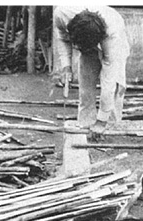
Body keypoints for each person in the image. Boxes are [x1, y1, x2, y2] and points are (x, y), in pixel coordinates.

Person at [53, 6, 130, 135]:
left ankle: (109, 127)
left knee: (115, 84)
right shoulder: (62, 14)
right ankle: (85, 123)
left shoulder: (112, 35)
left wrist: (101, 121)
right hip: (88, 32)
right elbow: (62, 38)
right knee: (86, 82)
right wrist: (66, 66)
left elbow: (109, 82)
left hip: (112, 35)